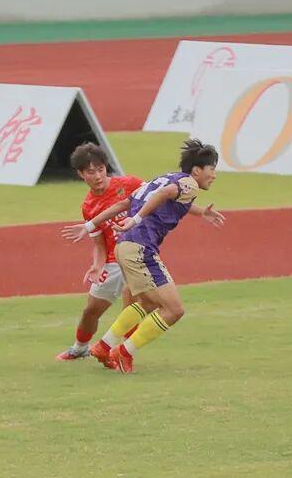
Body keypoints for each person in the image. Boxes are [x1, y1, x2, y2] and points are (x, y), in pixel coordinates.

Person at [62, 139, 224, 373]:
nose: (214, 175)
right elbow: (165, 194)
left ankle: (104, 346)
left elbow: (126, 202)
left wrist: (89, 225)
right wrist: (136, 219)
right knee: (174, 310)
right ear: (197, 170)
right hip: (140, 247)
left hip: (125, 246)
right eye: (212, 169)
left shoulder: (165, 177)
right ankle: (124, 351)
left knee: (147, 303)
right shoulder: (189, 183)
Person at [55, 143, 143, 361]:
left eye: (101, 169)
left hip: (137, 255)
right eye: (90, 172)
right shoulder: (88, 206)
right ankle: (79, 348)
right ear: (81, 174)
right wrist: (97, 266)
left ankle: (123, 354)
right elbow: (99, 244)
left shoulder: (129, 184)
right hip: (112, 261)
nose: (97, 176)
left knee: (131, 304)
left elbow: (160, 195)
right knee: (91, 310)